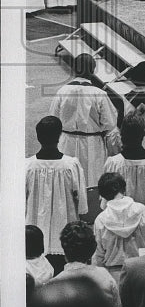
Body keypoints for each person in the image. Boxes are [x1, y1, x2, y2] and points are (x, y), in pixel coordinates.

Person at [48, 53, 120, 187]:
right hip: (91, 145)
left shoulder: (62, 91)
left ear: (74, 68)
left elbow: (52, 120)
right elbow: (110, 125)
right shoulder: (99, 94)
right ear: (93, 70)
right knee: (91, 183)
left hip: (66, 143)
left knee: (66, 184)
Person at [26, 116, 87, 271]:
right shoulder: (70, 165)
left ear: (38, 137)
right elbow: (82, 204)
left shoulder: (27, 166)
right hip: (65, 231)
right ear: (59, 136)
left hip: (34, 233)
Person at [103, 113, 145, 217]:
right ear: (144, 134)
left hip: (119, 226)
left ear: (121, 134)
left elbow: (105, 203)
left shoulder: (113, 163)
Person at [93, 171, 145, 282]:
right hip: (142, 271)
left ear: (103, 194)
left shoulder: (101, 219)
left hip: (113, 276)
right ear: (124, 188)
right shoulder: (142, 210)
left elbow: (99, 255)